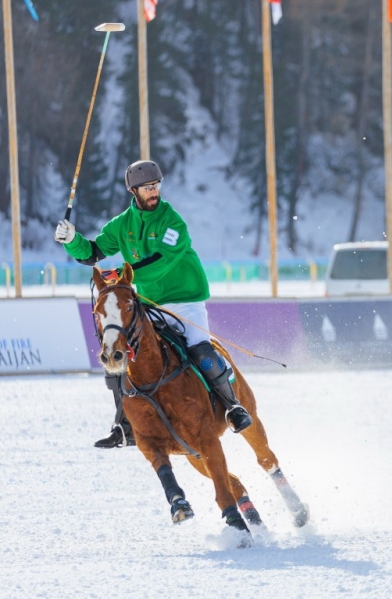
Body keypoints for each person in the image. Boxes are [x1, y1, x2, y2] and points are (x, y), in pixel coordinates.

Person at [54, 160, 253, 448]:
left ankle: (233, 407)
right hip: (148, 302)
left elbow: (161, 261)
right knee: (122, 353)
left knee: (201, 350)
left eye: (156, 185)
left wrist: (124, 276)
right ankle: (124, 426)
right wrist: (72, 240)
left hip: (186, 300)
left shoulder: (173, 222)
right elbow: (93, 253)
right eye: (148, 187)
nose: (154, 191)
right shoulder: (122, 224)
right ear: (133, 191)